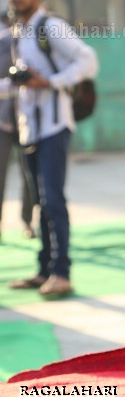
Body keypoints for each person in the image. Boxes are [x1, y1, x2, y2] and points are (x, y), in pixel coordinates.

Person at [4, 0, 99, 297]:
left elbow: (88, 61)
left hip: (54, 126)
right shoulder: (20, 32)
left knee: (53, 200)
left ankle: (62, 272)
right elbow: (19, 82)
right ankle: (44, 270)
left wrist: (52, 82)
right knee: (41, 204)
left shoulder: (51, 27)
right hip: (29, 126)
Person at [0, 17, 37, 241]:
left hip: (29, 122)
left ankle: (27, 221)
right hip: (4, 122)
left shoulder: (37, 41)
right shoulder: (3, 42)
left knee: (29, 174)